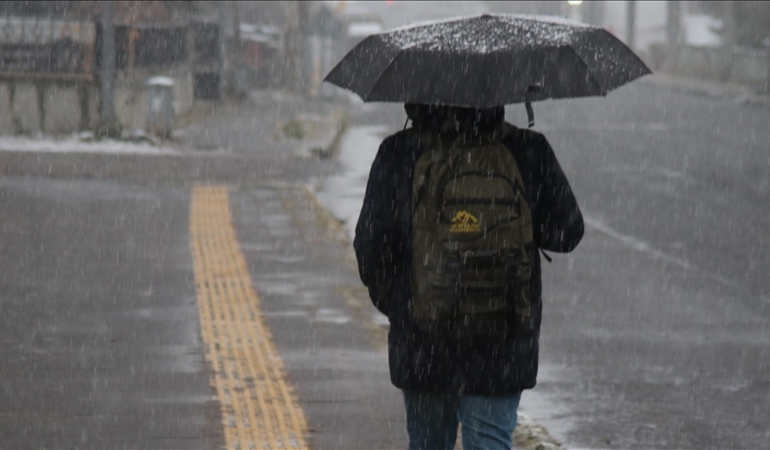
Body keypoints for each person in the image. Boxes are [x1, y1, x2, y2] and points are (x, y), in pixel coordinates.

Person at [353, 103, 584, 450]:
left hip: (424, 342)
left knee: (428, 443)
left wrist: (404, 305)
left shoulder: (401, 152)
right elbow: (568, 232)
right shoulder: (527, 150)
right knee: (491, 442)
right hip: (502, 340)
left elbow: (371, 249)